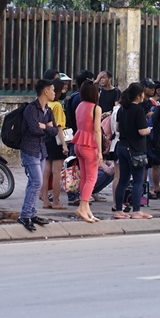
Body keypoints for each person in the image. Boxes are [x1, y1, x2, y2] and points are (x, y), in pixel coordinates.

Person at [17, 79, 57, 231]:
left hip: (41, 150)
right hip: (30, 149)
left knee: (33, 183)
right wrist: (47, 127)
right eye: (52, 90)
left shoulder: (48, 110)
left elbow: (54, 131)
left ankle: (31, 213)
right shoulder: (31, 109)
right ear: (45, 91)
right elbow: (34, 129)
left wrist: (44, 127)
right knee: (37, 182)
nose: (54, 93)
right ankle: (25, 215)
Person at [114, 83, 152, 220]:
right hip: (136, 149)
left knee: (123, 180)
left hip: (122, 146)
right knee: (137, 180)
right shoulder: (139, 110)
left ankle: (118, 210)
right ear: (138, 95)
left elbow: (117, 128)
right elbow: (142, 131)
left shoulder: (121, 109)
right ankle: (136, 210)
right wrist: (149, 130)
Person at [72, 79, 102, 223]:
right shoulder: (96, 108)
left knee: (84, 177)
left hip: (78, 143)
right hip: (90, 145)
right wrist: (101, 151)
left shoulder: (79, 106)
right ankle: (82, 207)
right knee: (92, 178)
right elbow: (97, 130)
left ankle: (86, 209)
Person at [41, 79, 70, 209]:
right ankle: (56, 201)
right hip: (55, 140)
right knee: (57, 172)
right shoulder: (57, 106)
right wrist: (64, 145)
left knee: (46, 172)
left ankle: (45, 200)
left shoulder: (46, 104)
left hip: (45, 138)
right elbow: (59, 127)